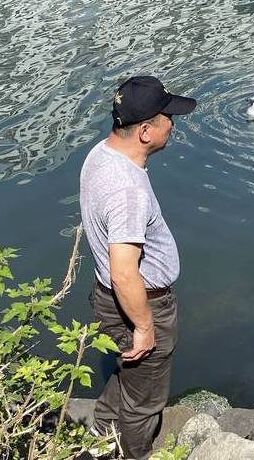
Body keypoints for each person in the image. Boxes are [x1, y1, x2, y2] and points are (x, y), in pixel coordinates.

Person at [79, 75, 196, 459]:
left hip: (108, 299)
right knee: (145, 399)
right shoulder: (127, 190)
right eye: (167, 118)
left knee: (130, 372)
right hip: (139, 302)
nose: (173, 125)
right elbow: (124, 272)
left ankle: (101, 430)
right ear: (145, 131)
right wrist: (145, 326)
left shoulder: (101, 154)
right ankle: (135, 454)